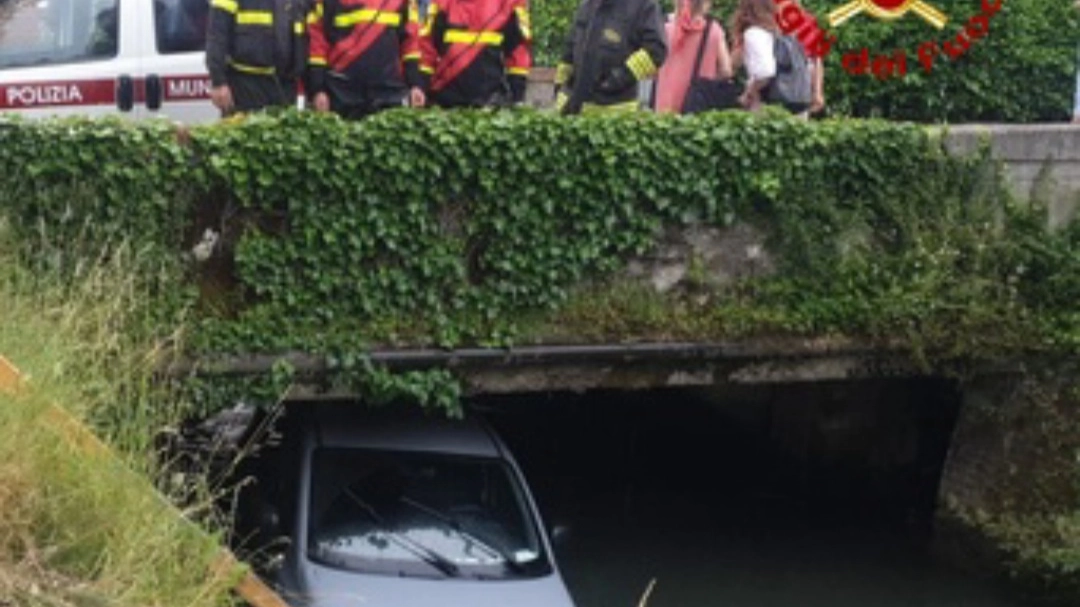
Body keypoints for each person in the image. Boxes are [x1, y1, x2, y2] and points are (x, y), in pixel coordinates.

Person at [307, 0, 426, 118]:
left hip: (389, 90)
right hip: (340, 90)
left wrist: (415, 83)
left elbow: (410, 41)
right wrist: (317, 88)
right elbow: (316, 42)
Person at [555, 0, 667, 115]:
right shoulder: (587, 5)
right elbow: (569, 51)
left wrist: (618, 78)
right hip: (574, 110)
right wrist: (560, 88)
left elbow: (655, 50)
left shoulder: (643, 5)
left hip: (615, 116)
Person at [417, 0, 532, 108]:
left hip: (491, 102)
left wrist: (517, 95)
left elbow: (518, 52)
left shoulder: (508, 4)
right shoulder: (442, 4)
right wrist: (420, 86)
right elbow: (426, 48)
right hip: (443, 101)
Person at [206, 0, 311, 115]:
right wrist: (219, 81)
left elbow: (308, 35)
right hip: (245, 85)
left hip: (285, 85)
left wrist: (314, 88)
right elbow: (217, 36)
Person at [652, 0, 732, 113]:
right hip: (699, 103)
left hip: (665, 105)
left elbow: (652, 71)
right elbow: (726, 71)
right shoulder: (714, 31)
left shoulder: (665, 31)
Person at [730, 0, 776, 112]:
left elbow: (765, 71)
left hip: (764, 102)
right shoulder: (780, 33)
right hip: (793, 100)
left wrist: (749, 93)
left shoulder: (753, 33)